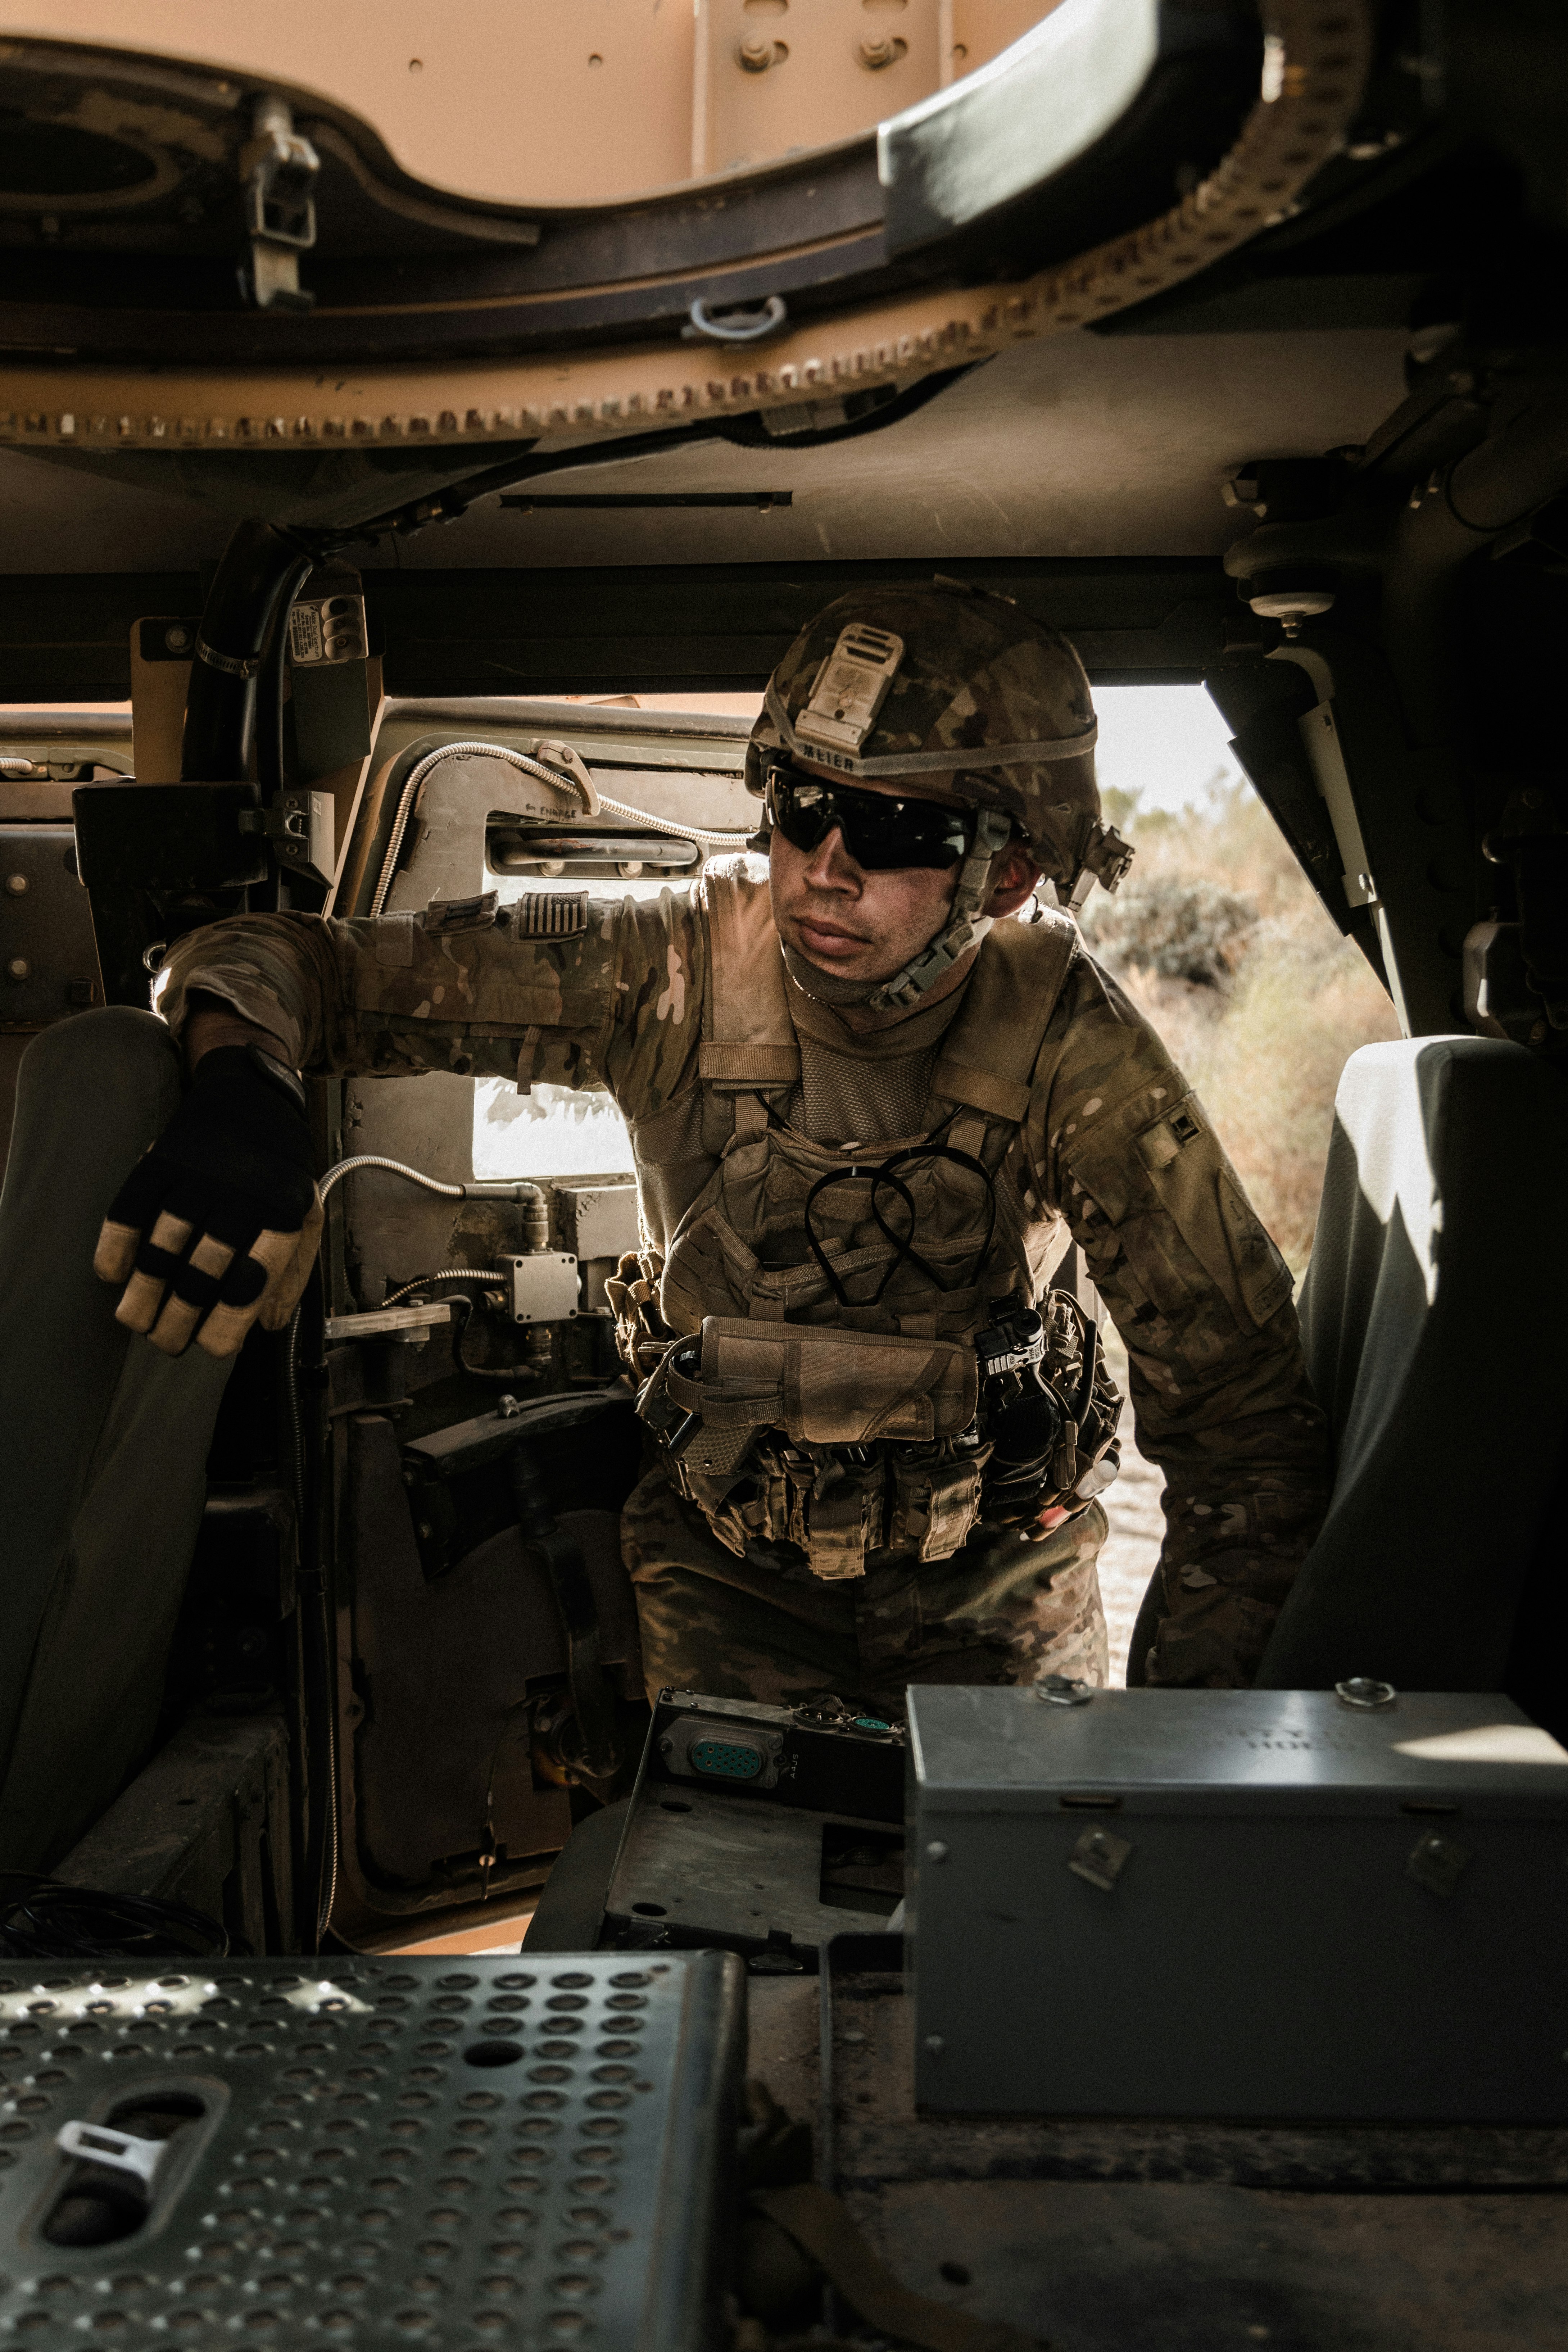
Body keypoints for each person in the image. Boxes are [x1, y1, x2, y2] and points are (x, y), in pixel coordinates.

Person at [0, 584, 1330, 1862]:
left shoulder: (1069, 1046)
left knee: (1028, 1931)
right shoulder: (675, 969)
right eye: (801, 807)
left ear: (1008, 874)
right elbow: (290, 960)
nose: (824, 865)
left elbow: (1247, 1431)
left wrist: (1183, 1769)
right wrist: (243, 1076)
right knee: (723, 1929)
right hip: (729, 1574)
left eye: (895, 831)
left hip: (995, 1586)